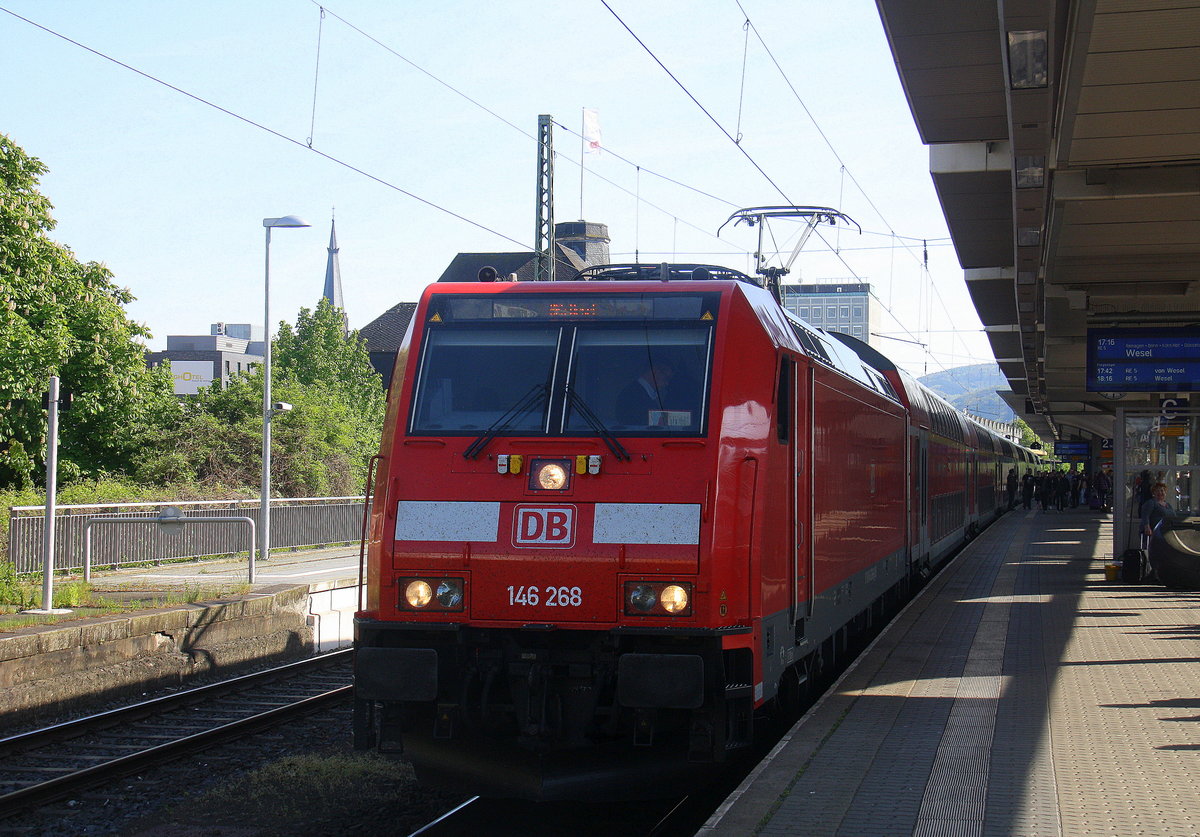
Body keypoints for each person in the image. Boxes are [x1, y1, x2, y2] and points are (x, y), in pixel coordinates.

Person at [617, 359, 675, 425]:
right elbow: (644, 420)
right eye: (666, 378)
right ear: (655, 372)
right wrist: (683, 419)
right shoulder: (631, 395)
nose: (667, 383)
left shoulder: (638, 392)